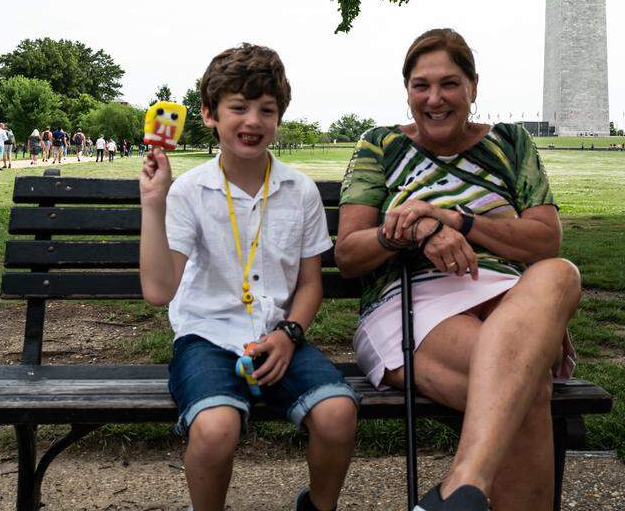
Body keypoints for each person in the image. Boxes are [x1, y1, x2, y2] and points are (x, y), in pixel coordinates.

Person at [336, 29, 579, 511]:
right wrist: (413, 230)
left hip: (509, 302)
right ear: (407, 91)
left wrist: (457, 220)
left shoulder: (512, 142)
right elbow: (348, 254)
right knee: (526, 387)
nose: (434, 98)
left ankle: (458, 489)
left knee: (561, 273)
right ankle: (461, 490)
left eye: (449, 83)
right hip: (411, 301)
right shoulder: (379, 145)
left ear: (473, 86)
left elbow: (545, 241)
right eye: (421, 85)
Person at [138, 43, 358, 511]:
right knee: (216, 428)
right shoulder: (189, 191)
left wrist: (289, 335)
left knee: (338, 414)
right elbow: (158, 291)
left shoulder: (299, 191)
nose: (253, 121)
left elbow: (310, 284)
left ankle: (318, 507)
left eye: (267, 110)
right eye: (238, 107)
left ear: (279, 117)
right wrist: (154, 203)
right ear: (209, 114)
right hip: (207, 337)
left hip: (279, 337)